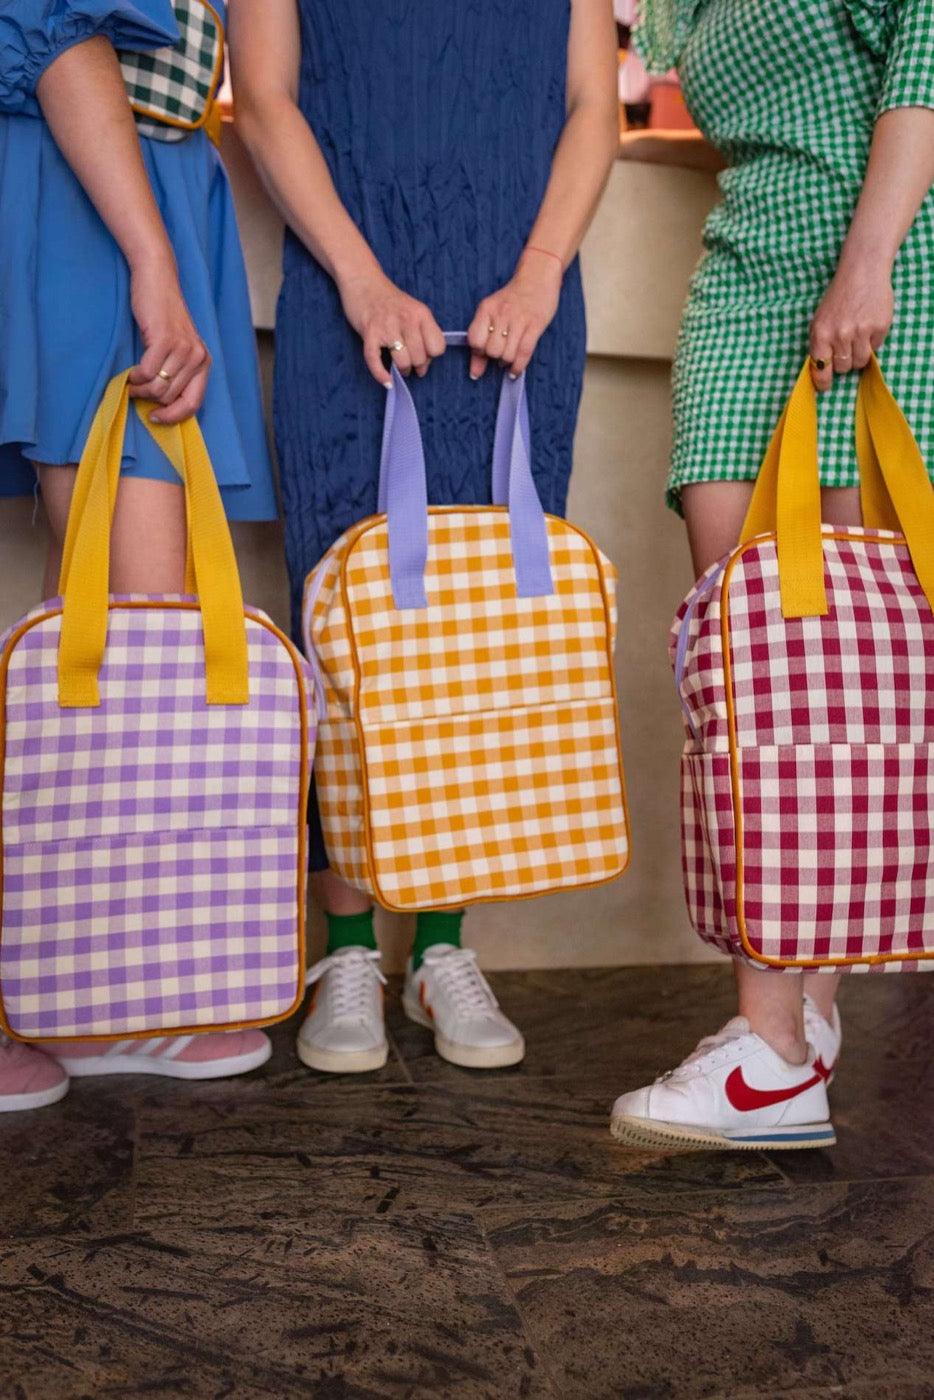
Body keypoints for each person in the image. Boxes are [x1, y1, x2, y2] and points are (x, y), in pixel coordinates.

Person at [229, 0, 619, 1073]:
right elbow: (261, 97)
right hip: (344, 291)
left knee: (480, 633)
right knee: (345, 636)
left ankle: (443, 946)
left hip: (523, 304)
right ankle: (347, 948)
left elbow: (594, 106)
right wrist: (359, 281)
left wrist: (541, 270)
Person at [611, 0, 934, 1149]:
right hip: (742, 280)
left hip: (879, 274)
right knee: (759, 680)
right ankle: (794, 1015)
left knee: (834, 681)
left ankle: (774, 1046)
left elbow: (922, 76)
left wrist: (866, 264)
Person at [0, 0, 279, 1111]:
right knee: (135, 624)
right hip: (96, 199)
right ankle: (95, 991)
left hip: (131, 188)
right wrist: (152, 256)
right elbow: (58, 30)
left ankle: (111, 987)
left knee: (133, 632)